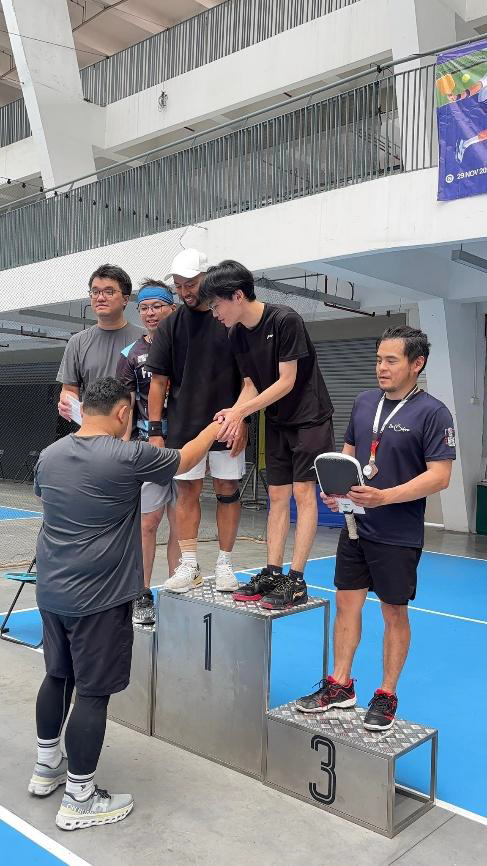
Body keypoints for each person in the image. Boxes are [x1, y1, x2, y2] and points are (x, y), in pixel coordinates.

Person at [29, 377, 222, 830]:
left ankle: (46, 767)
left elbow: (44, 498)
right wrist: (219, 424)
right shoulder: (127, 455)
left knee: (57, 675)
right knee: (92, 693)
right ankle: (79, 797)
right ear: (122, 413)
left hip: (52, 591)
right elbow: (187, 458)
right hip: (99, 599)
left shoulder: (49, 456)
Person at [295, 326, 455, 730]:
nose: (381, 367)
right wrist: (336, 492)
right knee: (346, 603)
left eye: (391, 360)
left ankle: (386, 694)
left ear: (417, 364)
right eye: (378, 359)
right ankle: (340, 685)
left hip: (398, 533)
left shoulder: (434, 413)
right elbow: (348, 457)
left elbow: (440, 476)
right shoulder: (365, 402)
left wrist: (384, 497)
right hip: (355, 527)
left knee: (393, 612)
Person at [200, 260, 334, 610]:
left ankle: (297, 579)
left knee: (303, 494)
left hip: (309, 418)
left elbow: (287, 381)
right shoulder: (237, 334)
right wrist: (234, 412)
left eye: (216, 304)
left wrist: (242, 412)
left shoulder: (285, 320)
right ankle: (273, 572)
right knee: (277, 495)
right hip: (276, 419)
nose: (215, 313)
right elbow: (251, 384)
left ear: (237, 295)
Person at [146, 249, 248, 594]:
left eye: (190, 283)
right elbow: (158, 382)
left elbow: (250, 379)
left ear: (207, 277)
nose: (184, 291)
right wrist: (156, 431)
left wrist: (243, 419)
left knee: (227, 490)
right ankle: (189, 565)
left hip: (228, 421)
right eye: (178, 286)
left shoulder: (231, 319)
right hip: (184, 425)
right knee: (186, 491)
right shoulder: (171, 325)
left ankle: (225, 564)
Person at [116, 279, 178, 625]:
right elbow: (125, 403)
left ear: (172, 308)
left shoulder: (188, 346)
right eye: (144, 308)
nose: (151, 313)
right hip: (147, 449)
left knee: (181, 522)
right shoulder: (130, 354)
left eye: (157, 306)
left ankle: (178, 593)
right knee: (147, 523)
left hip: (184, 447)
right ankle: (142, 593)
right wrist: (125, 445)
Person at [57, 263, 143, 421]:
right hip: (94, 430)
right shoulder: (77, 342)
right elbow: (69, 390)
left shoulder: (146, 338)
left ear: (125, 299)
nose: (100, 298)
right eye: (95, 292)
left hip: (138, 431)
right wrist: (67, 403)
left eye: (109, 292)